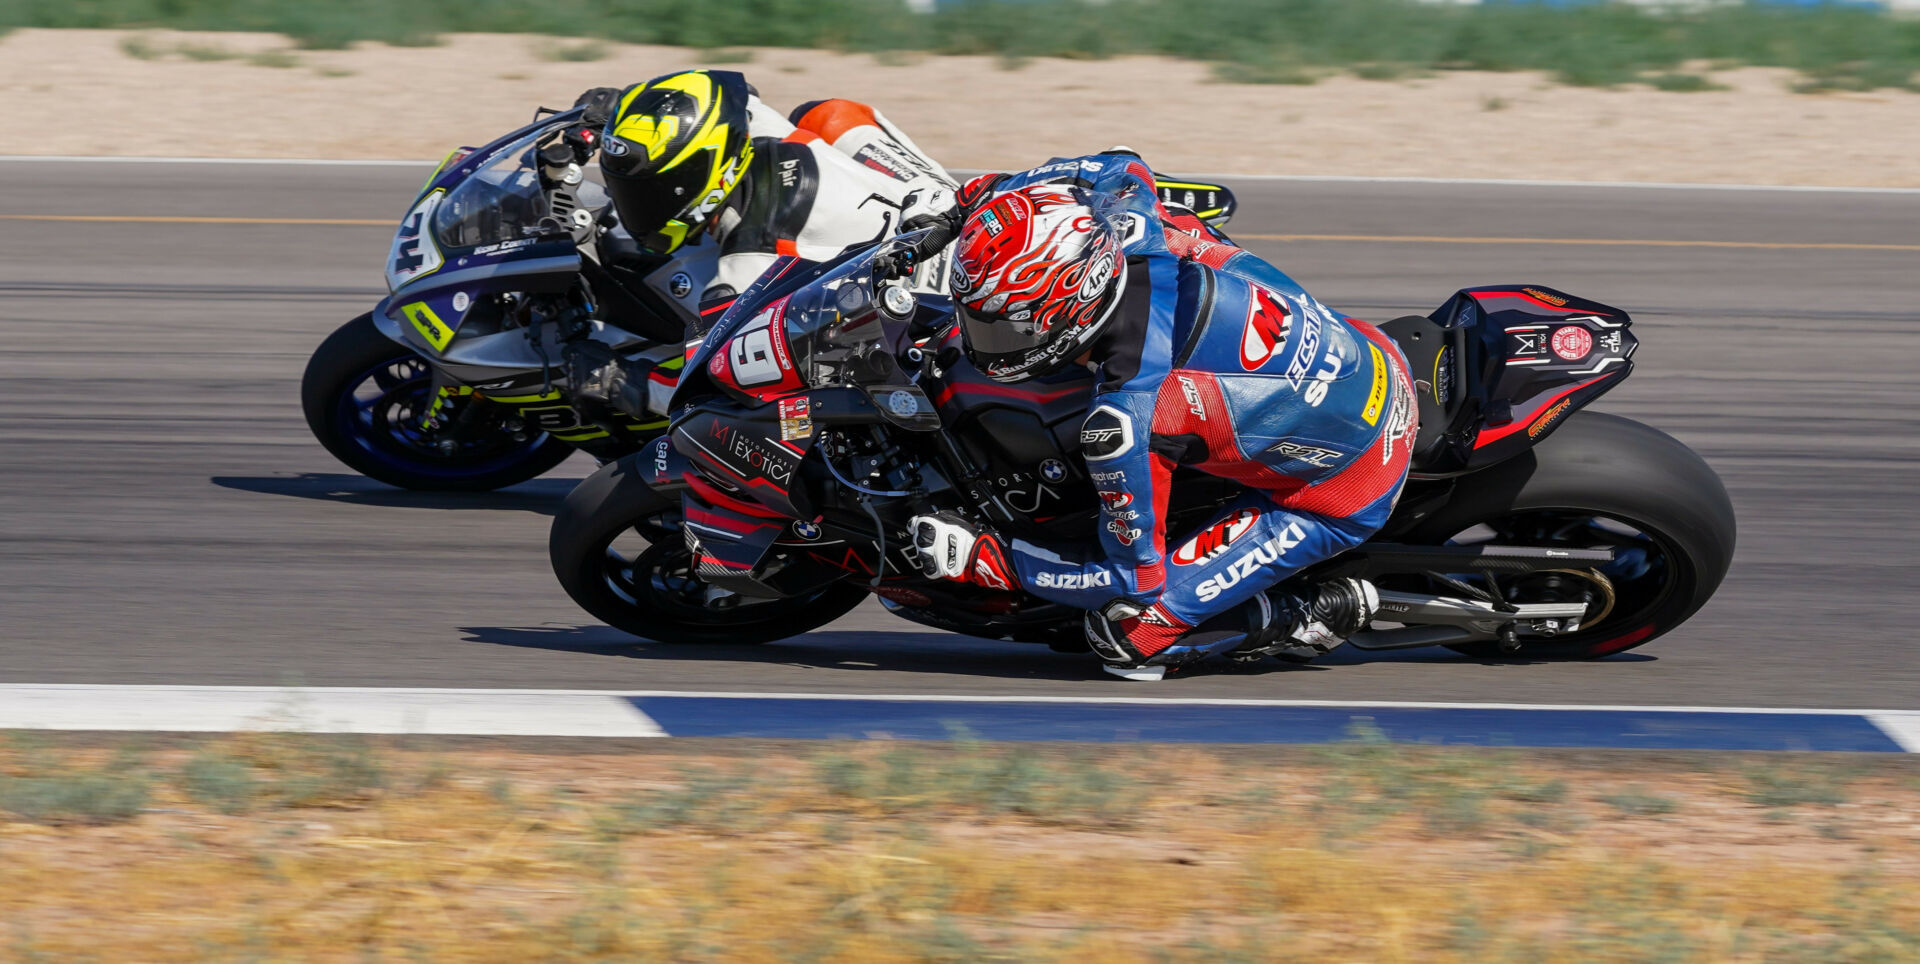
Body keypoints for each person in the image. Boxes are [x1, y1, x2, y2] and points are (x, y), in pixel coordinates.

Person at [906, 153, 1418, 681]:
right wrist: (970, 202)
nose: (986, 343)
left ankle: (1310, 613)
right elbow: (1118, 162)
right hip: (1369, 350)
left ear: (1076, 303)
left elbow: (1129, 577)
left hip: (1345, 484)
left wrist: (996, 561)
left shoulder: (1130, 418)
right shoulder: (1134, 224)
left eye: (1008, 328)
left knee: (1130, 636)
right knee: (1191, 232)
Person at [568, 69, 957, 416]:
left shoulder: (751, 260)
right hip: (948, 224)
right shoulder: (748, 124)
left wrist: (624, 381)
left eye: (650, 192)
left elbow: (715, 380)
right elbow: (727, 96)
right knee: (824, 115)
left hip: (925, 327)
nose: (635, 205)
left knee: (762, 372)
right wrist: (627, 108)